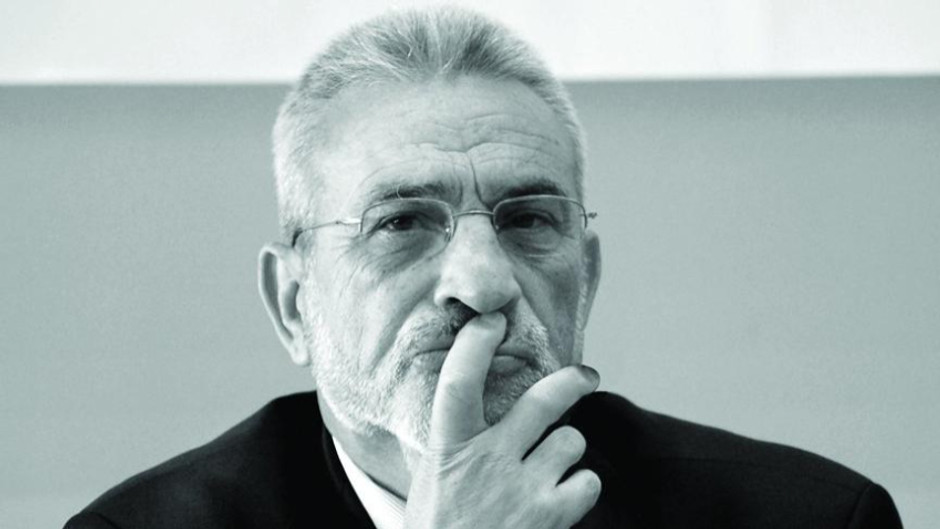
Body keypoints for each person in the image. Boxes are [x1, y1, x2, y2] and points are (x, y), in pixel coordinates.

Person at [65, 6, 903, 529]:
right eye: (400, 223)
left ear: (586, 279)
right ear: (292, 304)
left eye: (529, 220)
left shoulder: (813, 518)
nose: (482, 283)